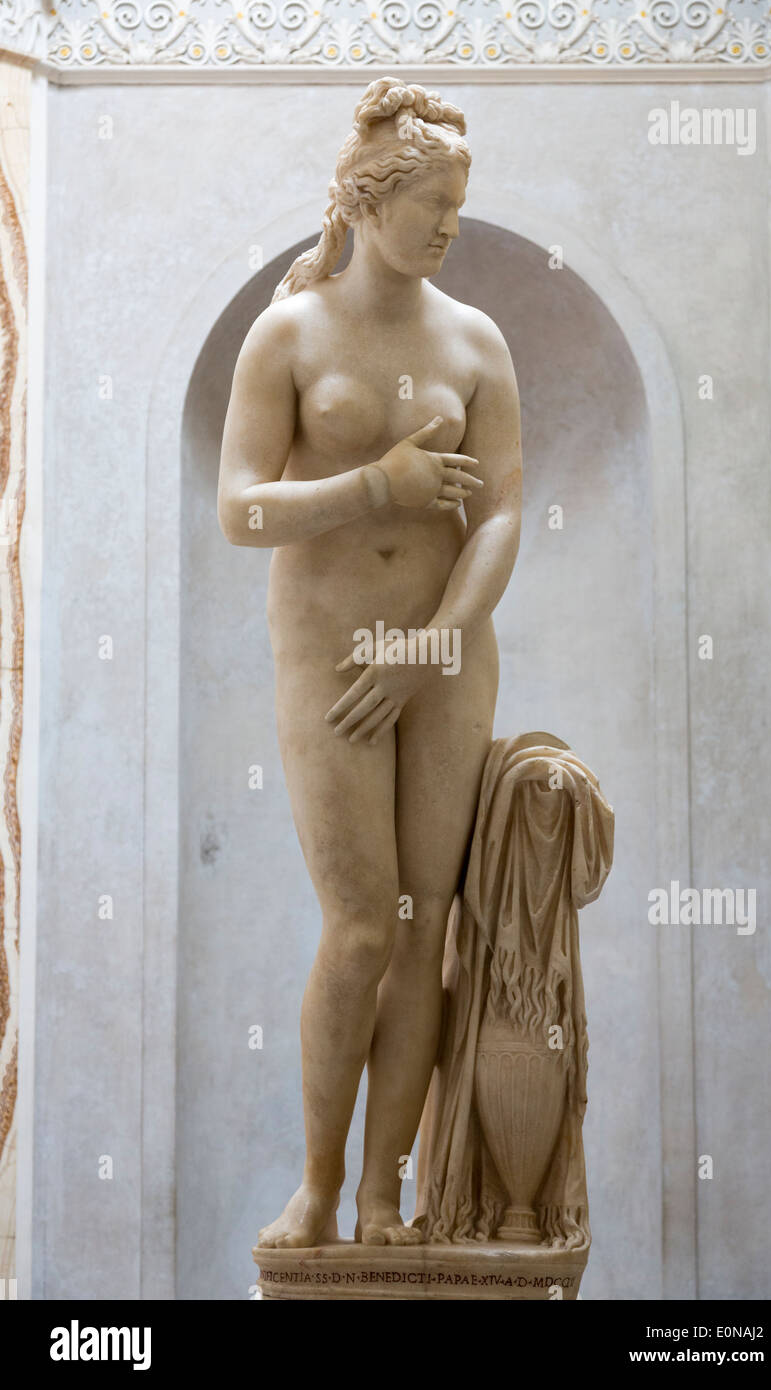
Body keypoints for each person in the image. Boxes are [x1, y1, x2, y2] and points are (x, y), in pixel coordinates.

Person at [217, 76, 522, 1247]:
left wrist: (435, 641)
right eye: (433, 202)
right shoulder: (287, 333)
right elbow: (242, 512)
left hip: (443, 657)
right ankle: (317, 1185)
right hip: (332, 660)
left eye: (459, 202)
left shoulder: (477, 340)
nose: (449, 223)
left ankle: (387, 1194)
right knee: (358, 927)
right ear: (369, 197)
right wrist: (375, 486)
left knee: (424, 923)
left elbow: (498, 515)